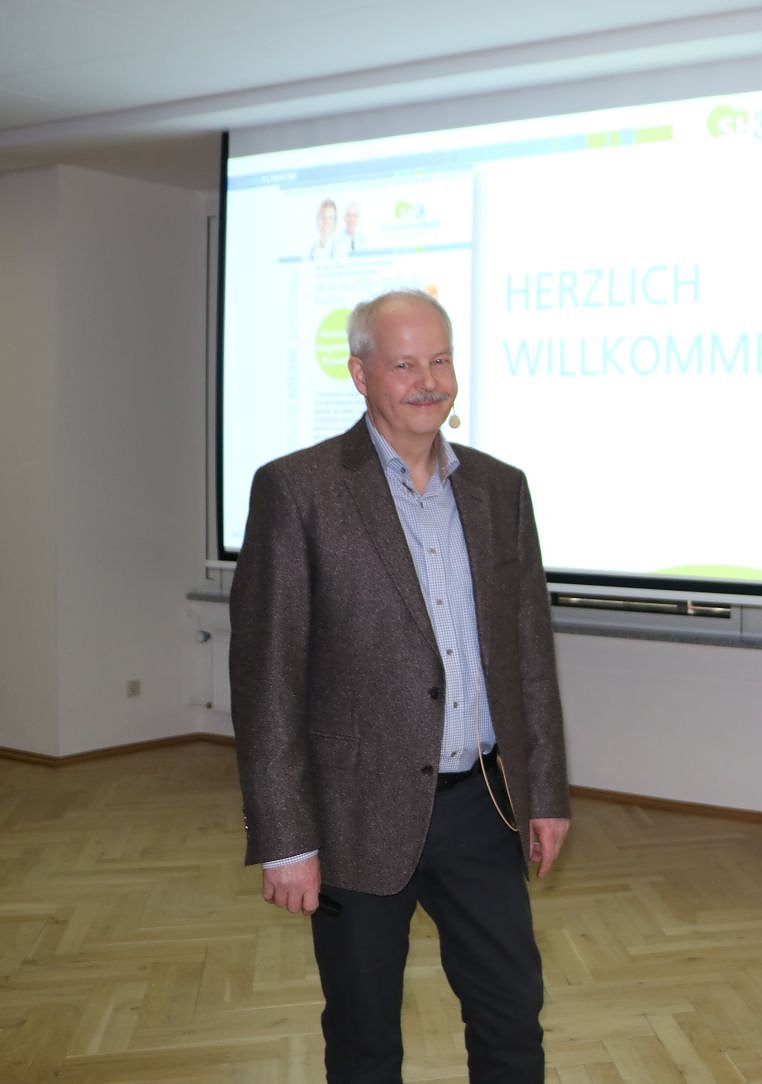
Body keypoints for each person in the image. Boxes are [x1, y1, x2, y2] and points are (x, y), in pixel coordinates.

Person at [229, 288, 571, 1084]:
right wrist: (287, 840)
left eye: (440, 360)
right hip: (354, 816)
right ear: (360, 374)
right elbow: (267, 680)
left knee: (512, 1018)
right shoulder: (299, 490)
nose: (429, 382)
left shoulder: (500, 488)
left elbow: (529, 654)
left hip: (482, 806)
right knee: (364, 1040)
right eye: (405, 364)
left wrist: (546, 794)